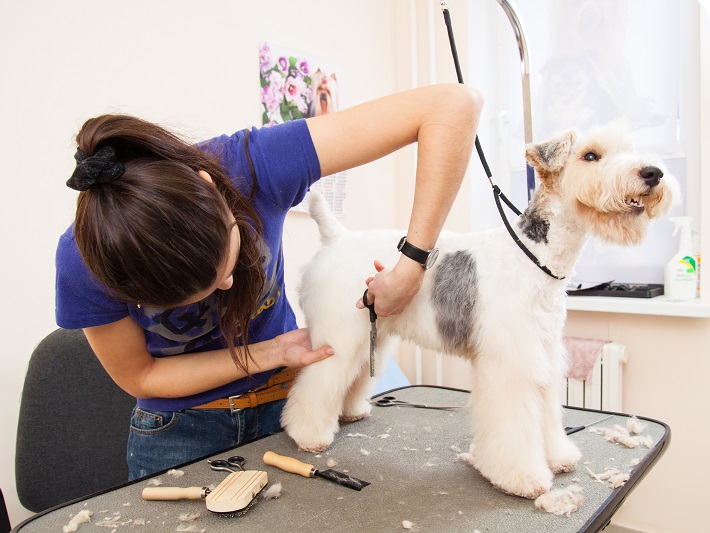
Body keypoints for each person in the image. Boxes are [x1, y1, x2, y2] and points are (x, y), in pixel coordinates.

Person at [55, 83, 483, 479]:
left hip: (284, 399)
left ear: (211, 188)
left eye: (226, 266)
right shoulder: (83, 262)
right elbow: (142, 376)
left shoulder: (254, 165)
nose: (228, 287)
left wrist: (413, 262)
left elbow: (453, 105)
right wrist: (271, 351)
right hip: (177, 432)